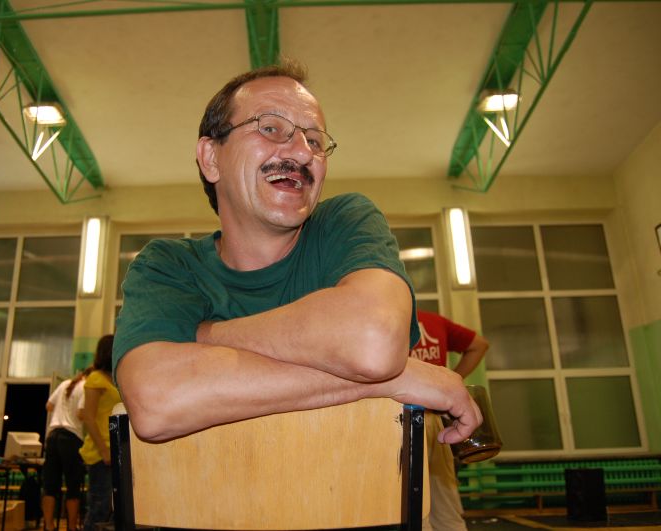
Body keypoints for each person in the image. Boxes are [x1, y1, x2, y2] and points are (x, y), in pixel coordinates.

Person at [113, 59, 480, 451]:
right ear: (211, 158)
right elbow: (155, 402)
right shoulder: (167, 266)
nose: (303, 154)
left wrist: (207, 335)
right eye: (270, 128)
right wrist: (389, 380)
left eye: (315, 141)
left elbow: (374, 340)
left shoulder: (344, 223)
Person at [410, 309, 489, 531]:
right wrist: (452, 382)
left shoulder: (385, 319)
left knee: (410, 500)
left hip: (402, 418)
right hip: (436, 418)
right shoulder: (434, 321)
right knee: (443, 498)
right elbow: (479, 345)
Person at [79, 335, 120, 531]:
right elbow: (88, 417)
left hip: (115, 451)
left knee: (113, 510)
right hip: (100, 454)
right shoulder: (95, 378)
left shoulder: (116, 379)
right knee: (100, 508)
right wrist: (104, 450)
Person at [42, 372, 87, 531]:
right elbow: (81, 413)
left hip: (53, 436)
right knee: (73, 486)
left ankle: (49, 526)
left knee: (50, 486)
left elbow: (48, 406)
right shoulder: (86, 386)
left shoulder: (64, 384)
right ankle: (72, 527)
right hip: (71, 438)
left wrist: (61, 412)